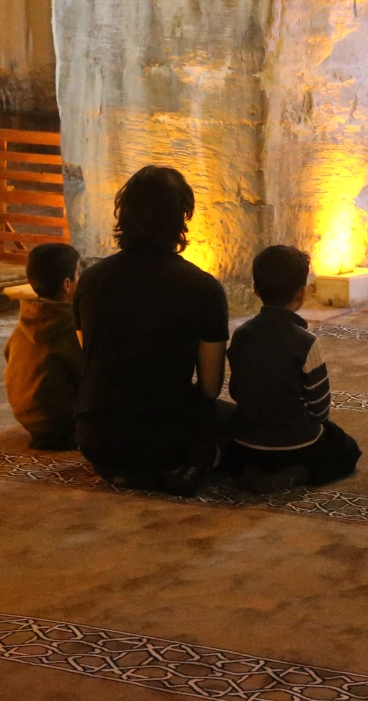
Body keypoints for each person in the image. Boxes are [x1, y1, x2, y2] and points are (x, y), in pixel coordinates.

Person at [74, 166, 231, 495]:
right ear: (182, 217)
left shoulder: (90, 280)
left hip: (95, 438)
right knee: (244, 423)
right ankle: (195, 462)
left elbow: (89, 358)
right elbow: (210, 387)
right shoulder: (203, 288)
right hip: (166, 441)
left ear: (123, 214)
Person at [227, 245, 362, 493]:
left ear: (255, 289)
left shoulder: (241, 335)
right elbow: (320, 409)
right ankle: (297, 472)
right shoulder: (306, 342)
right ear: (301, 294)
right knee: (346, 448)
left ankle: (254, 468)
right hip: (295, 444)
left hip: (247, 441)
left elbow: (237, 391)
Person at [3, 242, 85, 451]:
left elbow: (8, 355)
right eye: (79, 273)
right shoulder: (67, 325)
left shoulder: (27, 318)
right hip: (61, 423)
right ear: (67, 284)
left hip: (29, 418)